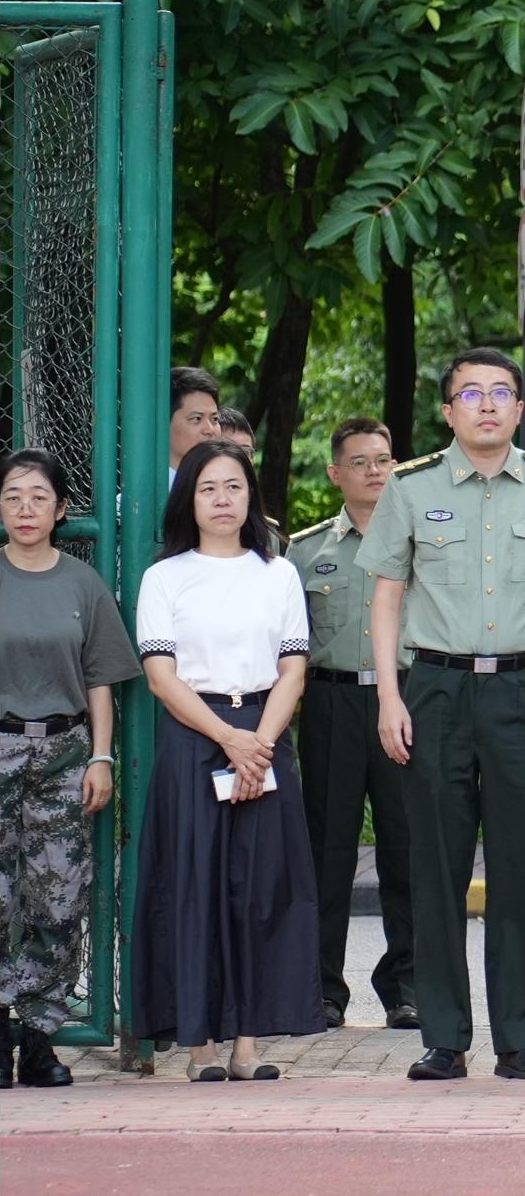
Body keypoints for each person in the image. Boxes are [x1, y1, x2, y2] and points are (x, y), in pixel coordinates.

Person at [356, 347, 525, 1083]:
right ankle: (443, 1037)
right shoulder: (410, 488)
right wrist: (389, 697)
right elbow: (387, 594)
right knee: (435, 866)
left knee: (523, 868)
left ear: (521, 409)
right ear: (448, 410)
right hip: (433, 689)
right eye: (472, 393)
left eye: (502, 392)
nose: (488, 404)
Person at [131, 440, 324, 1082]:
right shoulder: (165, 577)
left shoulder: (278, 574)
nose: (222, 498)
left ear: (251, 496)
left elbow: (293, 670)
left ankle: (247, 1045)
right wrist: (229, 740)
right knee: (194, 887)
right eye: (208, 487)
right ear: (189, 496)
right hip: (195, 736)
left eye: (234, 486)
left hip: (264, 731)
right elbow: (161, 677)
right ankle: (200, 1047)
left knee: (259, 891)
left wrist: (257, 744)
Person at [0, 449, 139, 1089]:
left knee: (57, 899)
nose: (25, 509)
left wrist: (102, 757)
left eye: (38, 497)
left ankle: (39, 1038)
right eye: (12, 496)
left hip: (63, 754)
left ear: (61, 510)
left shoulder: (82, 583)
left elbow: (101, 681)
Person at [287, 418, 418, 1032]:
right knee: (325, 851)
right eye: (360, 461)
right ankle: (320, 988)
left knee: (407, 846)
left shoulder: (422, 543)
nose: (374, 470)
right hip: (331, 704)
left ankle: (408, 985)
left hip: (405, 703)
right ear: (336, 473)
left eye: (384, 459)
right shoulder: (305, 552)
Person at [167, 366, 223, 487]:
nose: (210, 430)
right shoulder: (138, 500)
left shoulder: (230, 496)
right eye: (197, 419)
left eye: (214, 419)